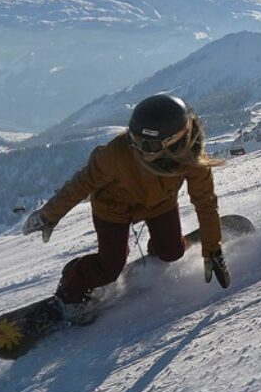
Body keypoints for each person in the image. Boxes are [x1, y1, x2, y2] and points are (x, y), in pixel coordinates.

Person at [22, 93, 229, 321]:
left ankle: (164, 249)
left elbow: (206, 203)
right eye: (134, 139)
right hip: (113, 208)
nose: (137, 148)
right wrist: (49, 215)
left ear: (174, 142)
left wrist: (212, 249)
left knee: (172, 253)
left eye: (146, 144)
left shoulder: (192, 161)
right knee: (109, 268)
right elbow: (81, 183)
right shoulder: (117, 153)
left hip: (159, 204)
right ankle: (74, 280)